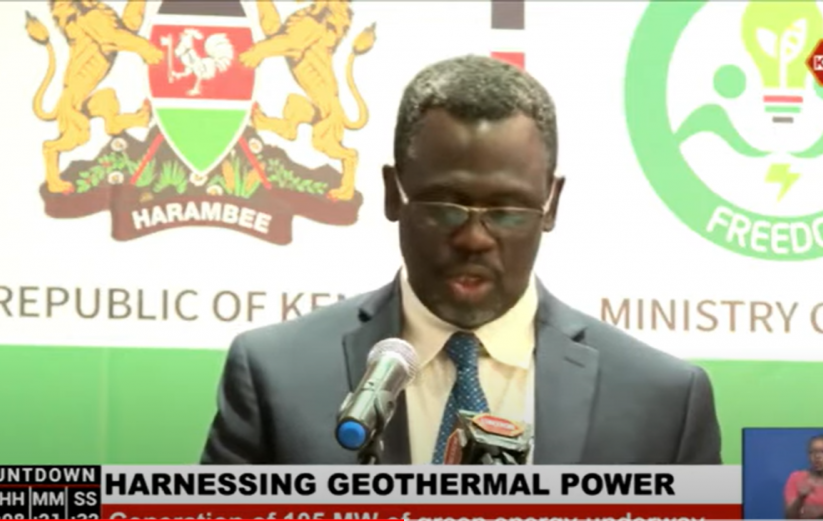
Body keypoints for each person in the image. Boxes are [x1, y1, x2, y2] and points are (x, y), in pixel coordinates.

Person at [200, 55, 722, 464]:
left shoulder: (663, 401)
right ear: (393, 194)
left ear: (551, 206)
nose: (474, 238)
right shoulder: (276, 375)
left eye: (507, 210)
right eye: (445, 207)